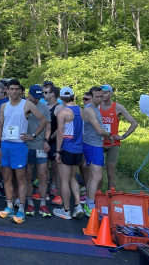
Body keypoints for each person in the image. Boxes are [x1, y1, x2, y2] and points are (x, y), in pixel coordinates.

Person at [0, 79, 47, 224]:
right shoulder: (4, 106)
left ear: (20, 91)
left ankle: (21, 210)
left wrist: (33, 135)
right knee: (6, 177)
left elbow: (43, 120)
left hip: (19, 146)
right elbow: (0, 126)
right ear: (7, 90)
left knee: (20, 178)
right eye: (11, 89)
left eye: (16, 89)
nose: (14, 91)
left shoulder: (27, 104)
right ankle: (9, 206)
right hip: (6, 145)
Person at [52, 87, 85, 219]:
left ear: (60, 97)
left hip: (67, 148)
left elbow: (61, 132)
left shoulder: (62, 111)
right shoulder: (81, 110)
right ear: (73, 96)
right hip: (78, 149)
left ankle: (66, 210)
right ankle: (78, 205)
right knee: (72, 177)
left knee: (64, 180)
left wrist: (58, 151)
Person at [99, 84, 138, 191]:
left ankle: (111, 197)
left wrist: (123, 136)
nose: (103, 95)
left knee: (110, 173)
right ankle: (96, 196)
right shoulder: (96, 106)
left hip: (113, 144)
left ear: (111, 94)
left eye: (106, 93)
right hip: (98, 143)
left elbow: (134, 123)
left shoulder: (118, 107)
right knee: (97, 173)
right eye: (101, 93)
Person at [82, 86, 111, 216]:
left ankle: (89, 203)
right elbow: (99, 130)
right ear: (91, 97)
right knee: (97, 176)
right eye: (97, 97)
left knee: (93, 176)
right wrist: (109, 135)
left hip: (95, 144)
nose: (100, 99)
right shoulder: (89, 110)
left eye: (101, 96)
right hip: (93, 146)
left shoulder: (95, 108)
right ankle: (91, 206)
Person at [24, 84, 52, 217]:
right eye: (34, 97)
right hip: (26, 146)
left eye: (39, 97)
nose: (36, 100)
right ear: (28, 94)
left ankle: (42, 204)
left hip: (40, 145)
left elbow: (48, 125)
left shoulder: (44, 106)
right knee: (27, 175)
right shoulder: (22, 105)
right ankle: (29, 203)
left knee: (43, 175)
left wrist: (46, 140)